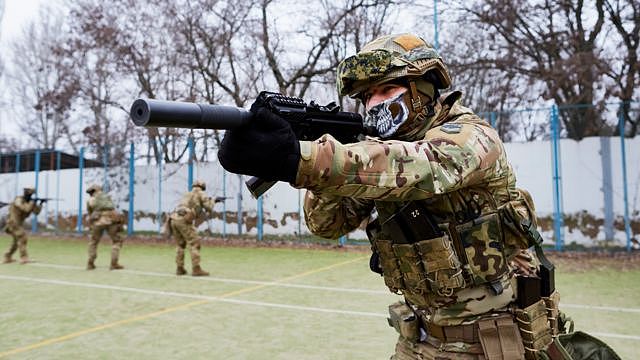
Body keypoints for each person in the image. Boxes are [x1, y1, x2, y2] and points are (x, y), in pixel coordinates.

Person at [217, 33, 573, 359]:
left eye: (386, 90)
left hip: (495, 342)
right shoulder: (371, 157)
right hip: (418, 340)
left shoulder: (472, 136)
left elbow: (420, 166)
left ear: (424, 86)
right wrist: (320, 160)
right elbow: (325, 224)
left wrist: (305, 158)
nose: (374, 103)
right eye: (366, 96)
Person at [166, 180, 218, 277]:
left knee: (180, 245)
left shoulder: (188, 193)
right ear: (202, 186)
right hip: (183, 220)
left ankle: (180, 268)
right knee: (194, 243)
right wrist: (214, 201)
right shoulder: (201, 193)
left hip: (173, 218)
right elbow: (209, 207)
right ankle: (196, 269)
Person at [86, 184, 125, 270]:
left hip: (97, 221)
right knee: (116, 241)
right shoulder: (107, 197)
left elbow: (90, 213)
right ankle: (114, 264)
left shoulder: (90, 200)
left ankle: (90, 263)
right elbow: (112, 208)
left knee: (93, 242)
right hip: (111, 220)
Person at [2, 187, 42, 264]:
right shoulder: (18, 199)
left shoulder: (30, 202)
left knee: (16, 241)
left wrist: (40, 204)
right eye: (29, 193)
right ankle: (24, 258)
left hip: (17, 224)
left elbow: (36, 212)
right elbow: (25, 209)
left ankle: (7, 257)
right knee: (23, 237)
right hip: (12, 223)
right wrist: (32, 203)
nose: (30, 195)